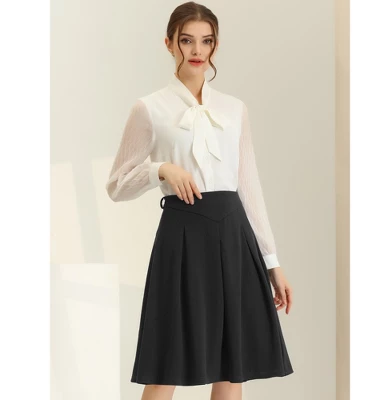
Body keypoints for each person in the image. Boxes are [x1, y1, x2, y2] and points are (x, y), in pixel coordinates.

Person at [106, 2, 294, 399]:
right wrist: (161, 170)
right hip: (183, 236)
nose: (197, 50)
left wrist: (272, 262)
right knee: (167, 361)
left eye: (206, 41)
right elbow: (117, 185)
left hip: (234, 235)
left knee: (232, 366)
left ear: (215, 45)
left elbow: (249, 186)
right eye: (187, 40)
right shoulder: (149, 108)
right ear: (169, 44)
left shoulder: (234, 109)